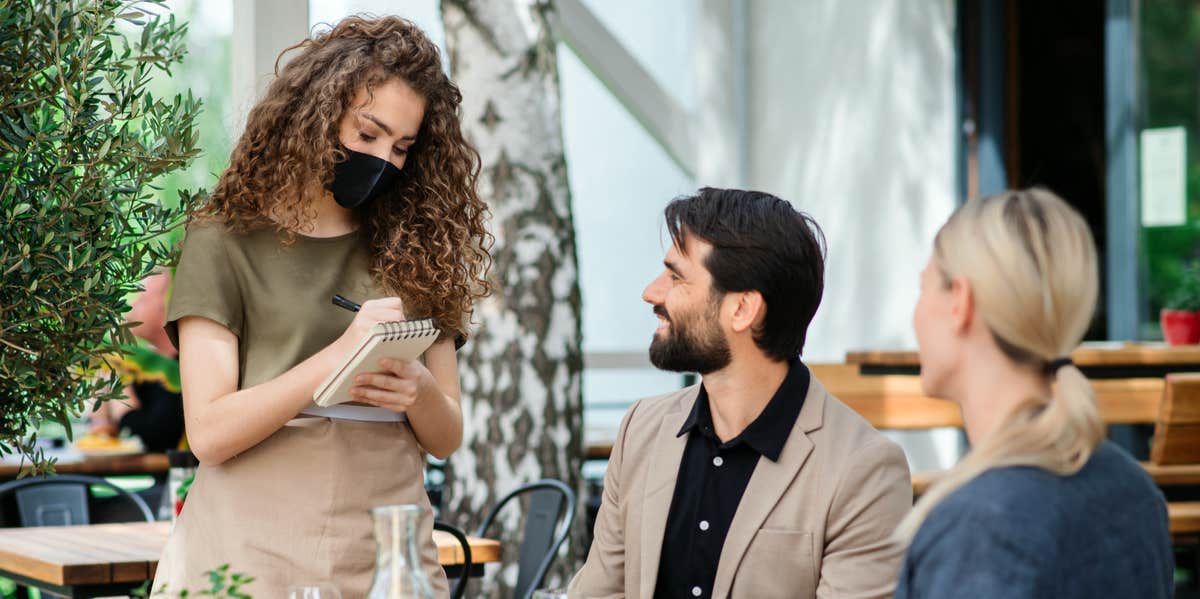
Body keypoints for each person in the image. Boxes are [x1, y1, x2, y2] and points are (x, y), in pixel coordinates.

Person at [152, 16, 491, 597]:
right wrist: (341, 357)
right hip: (248, 546)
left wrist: (421, 394)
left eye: (403, 147)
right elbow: (208, 432)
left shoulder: (420, 245)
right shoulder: (223, 237)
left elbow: (446, 435)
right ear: (315, 114)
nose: (384, 159)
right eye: (368, 134)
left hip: (387, 551)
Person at [570, 188, 912, 599]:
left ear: (742, 309)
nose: (651, 292)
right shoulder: (640, 429)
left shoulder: (864, 470)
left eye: (676, 277)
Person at [895, 188, 1173, 598]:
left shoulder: (980, 530)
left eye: (924, 287)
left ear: (960, 301)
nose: (915, 315)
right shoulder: (1132, 488)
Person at [91, 269, 186, 452]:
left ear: (164, 308)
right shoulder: (148, 368)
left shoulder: (183, 367)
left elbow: (160, 435)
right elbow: (109, 428)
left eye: (141, 300)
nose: (132, 307)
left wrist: (122, 407)